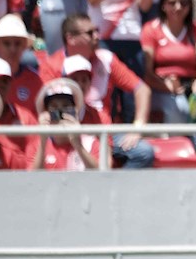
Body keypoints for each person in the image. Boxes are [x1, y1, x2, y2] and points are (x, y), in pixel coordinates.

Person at [41, 13, 154, 168]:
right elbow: (48, 108)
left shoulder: (105, 59)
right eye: (90, 33)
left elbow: (142, 89)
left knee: (143, 152)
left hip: (103, 131)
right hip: (65, 133)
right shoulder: (51, 66)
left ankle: (118, 190)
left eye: (97, 31)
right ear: (71, 38)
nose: (97, 36)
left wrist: (138, 127)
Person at [141, 0, 196, 124]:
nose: (178, 7)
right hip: (161, 87)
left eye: (183, 3)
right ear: (163, 5)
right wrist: (165, 85)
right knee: (179, 107)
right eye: (172, 3)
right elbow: (146, 71)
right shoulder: (151, 29)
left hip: (191, 87)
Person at [28, 77, 103, 170]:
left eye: (66, 106)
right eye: (54, 107)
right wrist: (43, 144)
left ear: (75, 110)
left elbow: (101, 177)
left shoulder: (91, 143)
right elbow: (31, 180)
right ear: (46, 112)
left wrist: (78, 146)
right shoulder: (36, 145)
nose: (60, 112)